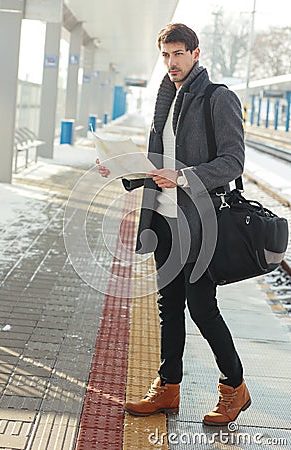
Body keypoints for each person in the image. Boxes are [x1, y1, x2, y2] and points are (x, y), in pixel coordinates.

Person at [97, 23, 251, 426]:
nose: (171, 63)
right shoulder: (165, 101)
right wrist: (123, 170)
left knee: (201, 306)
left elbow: (233, 162)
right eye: (165, 55)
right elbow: (158, 161)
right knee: (169, 307)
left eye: (179, 54)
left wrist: (184, 177)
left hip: (200, 222)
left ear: (196, 54)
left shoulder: (218, 98)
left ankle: (234, 387)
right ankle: (168, 387)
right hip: (163, 217)